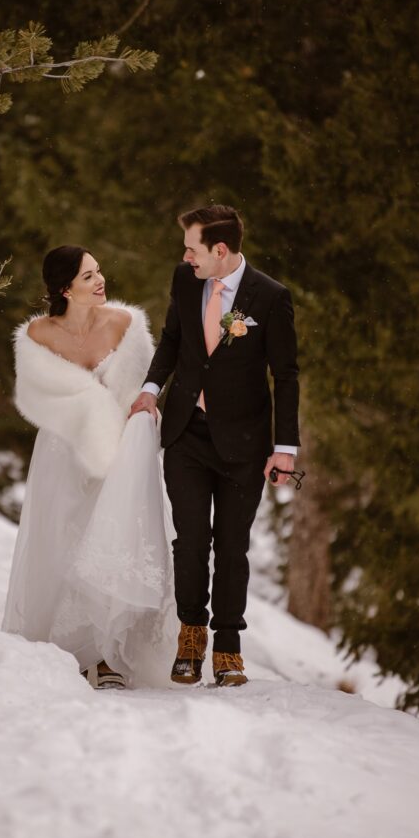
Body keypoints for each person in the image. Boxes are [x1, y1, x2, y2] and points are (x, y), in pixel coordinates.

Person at [130, 205, 300, 687]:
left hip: (244, 444)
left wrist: (284, 447)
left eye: (193, 247)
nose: (185, 256)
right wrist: (149, 389)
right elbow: (171, 339)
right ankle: (191, 635)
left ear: (219, 250)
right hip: (186, 433)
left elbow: (285, 376)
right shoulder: (185, 280)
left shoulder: (269, 297)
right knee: (190, 541)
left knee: (231, 547)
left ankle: (228, 647)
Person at [2, 245, 175, 689]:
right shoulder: (37, 335)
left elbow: (144, 391)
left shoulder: (126, 324)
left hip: (118, 452)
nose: (101, 281)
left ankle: (107, 652)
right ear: (65, 289)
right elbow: (36, 398)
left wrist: (138, 417)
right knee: (64, 541)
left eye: (99, 271)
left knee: (108, 539)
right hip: (62, 452)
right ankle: (74, 649)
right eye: (88, 277)